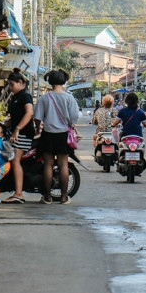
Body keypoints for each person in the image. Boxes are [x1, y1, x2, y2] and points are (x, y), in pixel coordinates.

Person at [33, 69, 81, 205]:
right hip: (63, 135)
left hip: (47, 134)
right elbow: (74, 118)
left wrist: (38, 129)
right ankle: (64, 197)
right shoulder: (69, 98)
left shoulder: (44, 98)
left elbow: (37, 118)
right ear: (64, 81)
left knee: (48, 165)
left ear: (49, 81)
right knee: (63, 164)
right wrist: (69, 125)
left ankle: (47, 197)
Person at [3, 70, 34, 204]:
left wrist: (17, 130)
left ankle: (19, 193)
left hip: (24, 134)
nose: (10, 88)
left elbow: (29, 113)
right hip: (16, 132)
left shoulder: (25, 96)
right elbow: (15, 116)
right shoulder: (16, 96)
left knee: (15, 160)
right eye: (9, 85)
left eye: (12, 84)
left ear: (20, 83)